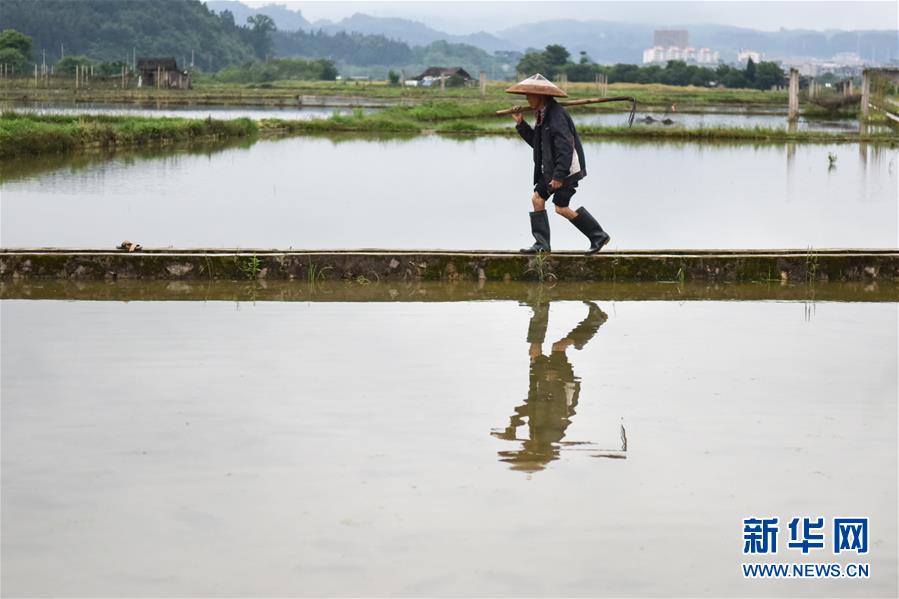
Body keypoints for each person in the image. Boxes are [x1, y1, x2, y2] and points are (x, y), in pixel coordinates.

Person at [492, 299, 609, 472]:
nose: (522, 447)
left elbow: (530, 405)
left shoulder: (536, 435)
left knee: (535, 349)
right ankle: (595, 319)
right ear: (534, 451)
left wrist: (513, 426)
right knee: (558, 348)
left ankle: (541, 309)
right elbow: (559, 405)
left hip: (544, 388)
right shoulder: (550, 434)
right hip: (560, 386)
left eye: (521, 450)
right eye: (523, 451)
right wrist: (555, 380)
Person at [506, 74, 611, 255]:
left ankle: (598, 235)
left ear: (541, 96)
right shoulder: (542, 115)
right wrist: (521, 124)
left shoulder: (556, 116)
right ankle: (542, 245)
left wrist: (559, 176)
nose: (527, 99)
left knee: (560, 207)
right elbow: (537, 144)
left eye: (530, 95)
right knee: (538, 199)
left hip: (566, 170)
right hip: (551, 169)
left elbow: (566, 148)